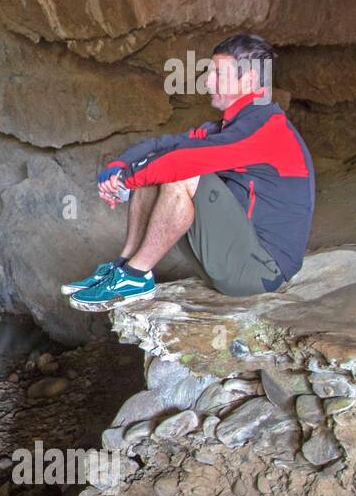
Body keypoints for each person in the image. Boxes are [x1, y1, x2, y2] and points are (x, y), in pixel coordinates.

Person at [66, 34, 315, 311]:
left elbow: (183, 163)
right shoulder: (229, 126)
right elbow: (165, 144)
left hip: (260, 272)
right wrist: (118, 167)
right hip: (231, 259)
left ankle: (136, 278)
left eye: (218, 74)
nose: (208, 82)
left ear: (249, 80)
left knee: (181, 171)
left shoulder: (266, 127)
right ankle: (124, 266)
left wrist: (126, 181)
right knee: (160, 163)